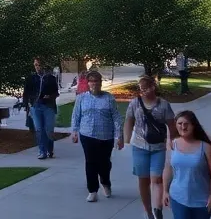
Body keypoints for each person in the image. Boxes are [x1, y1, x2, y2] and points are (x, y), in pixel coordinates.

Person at [126, 75, 176, 219]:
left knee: (156, 179)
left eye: (146, 88)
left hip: (158, 147)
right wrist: (126, 138)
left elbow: (171, 124)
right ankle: (148, 211)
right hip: (139, 146)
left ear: (153, 87)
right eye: (141, 89)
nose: (144, 91)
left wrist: (173, 140)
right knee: (143, 179)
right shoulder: (135, 103)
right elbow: (129, 120)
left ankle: (157, 209)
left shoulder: (163, 104)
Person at [71, 69, 124, 203]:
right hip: (87, 134)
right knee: (90, 162)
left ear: (101, 83)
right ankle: (92, 190)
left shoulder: (109, 98)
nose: (94, 84)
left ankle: (105, 182)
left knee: (104, 163)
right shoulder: (81, 98)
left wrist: (119, 136)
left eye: (97, 81)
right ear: (88, 83)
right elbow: (76, 115)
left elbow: (116, 117)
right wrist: (74, 131)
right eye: (91, 81)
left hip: (106, 136)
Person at [162, 110, 211, 219]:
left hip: (201, 201)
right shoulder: (173, 144)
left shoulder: (206, 148)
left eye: (186, 124)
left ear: (193, 126)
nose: (183, 127)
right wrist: (165, 191)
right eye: (180, 124)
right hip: (178, 198)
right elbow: (168, 168)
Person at [24, 57, 59, 160]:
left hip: (48, 106)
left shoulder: (50, 78)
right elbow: (26, 93)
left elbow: (56, 93)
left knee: (48, 129)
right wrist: (27, 105)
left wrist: (50, 96)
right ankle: (42, 151)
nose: (37, 67)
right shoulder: (31, 78)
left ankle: (50, 149)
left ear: (43, 66)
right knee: (39, 129)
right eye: (36, 65)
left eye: (39, 65)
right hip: (36, 106)